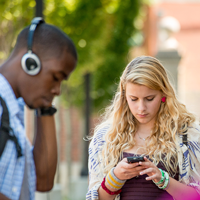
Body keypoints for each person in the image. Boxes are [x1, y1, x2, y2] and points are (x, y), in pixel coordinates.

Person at [86, 56, 200, 200]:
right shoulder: (105, 136)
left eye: (149, 98)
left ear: (164, 93)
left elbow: (196, 196)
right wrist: (115, 178)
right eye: (133, 99)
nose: (141, 108)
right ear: (124, 97)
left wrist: (164, 180)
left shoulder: (188, 134)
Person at [0, 17, 77, 200]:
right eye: (56, 77)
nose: (57, 90)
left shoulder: (13, 114)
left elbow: (43, 181)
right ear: (30, 63)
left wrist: (45, 106)